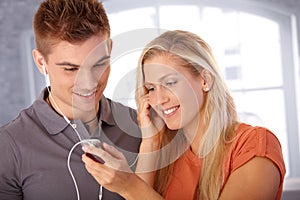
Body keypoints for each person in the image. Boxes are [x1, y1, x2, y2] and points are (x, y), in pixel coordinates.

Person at [82, 30, 286, 200]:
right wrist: (150, 142)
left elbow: (137, 193)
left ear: (205, 79)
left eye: (170, 83)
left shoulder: (255, 146)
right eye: (151, 89)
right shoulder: (164, 152)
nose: (159, 99)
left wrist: (129, 186)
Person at [0, 0, 141, 200]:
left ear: (110, 49)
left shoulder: (140, 127)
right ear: (41, 62)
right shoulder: (8, 146)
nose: (88, 82)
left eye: (98, 64)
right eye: (71, 69)